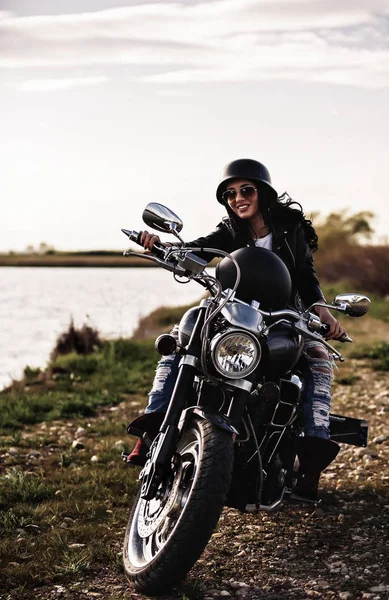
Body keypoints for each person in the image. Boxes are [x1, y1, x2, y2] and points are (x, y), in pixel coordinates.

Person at [126, 158, 345, 502]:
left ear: (263, 193)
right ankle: (154, 424)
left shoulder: (289, 225)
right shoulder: (230, 230)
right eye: (230, 194)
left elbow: (305, 274)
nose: (238, 198)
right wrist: (163, 245)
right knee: (183, 334)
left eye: (246, 190)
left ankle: (313, 457)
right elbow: (200, 247)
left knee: (318, 356)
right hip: (235, 310)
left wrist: (322, 311)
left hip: (284, 311)